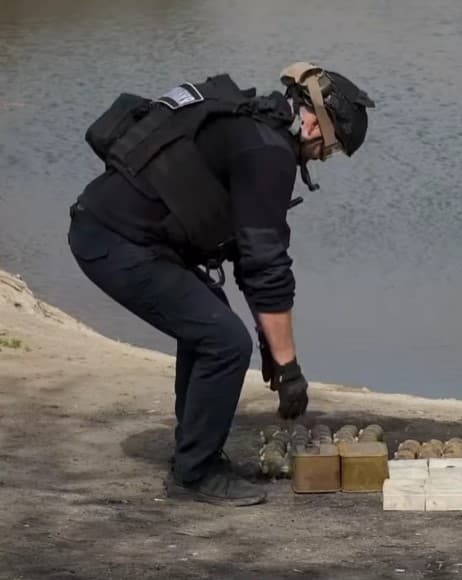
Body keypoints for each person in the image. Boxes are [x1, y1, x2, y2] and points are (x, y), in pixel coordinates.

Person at [65, 62, 375, 506]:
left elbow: (250, 259)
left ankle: (196, 451)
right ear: (313, 122)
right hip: (116, 242)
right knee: (223, 341)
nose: (325, 155)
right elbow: (266, 263)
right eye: (333, 146)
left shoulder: (252, 126)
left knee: (210, 323)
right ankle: (195, 473)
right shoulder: (269, 152)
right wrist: (289, 371)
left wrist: (273, 347)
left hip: (117, 232)